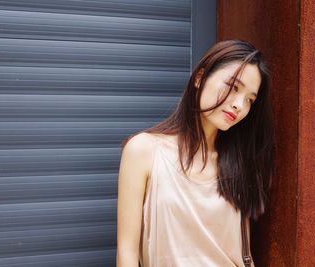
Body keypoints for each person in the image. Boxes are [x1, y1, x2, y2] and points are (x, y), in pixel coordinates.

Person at [116, 39, 274, 267]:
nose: (240, 104)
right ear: (200, 77)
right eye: (233, 87)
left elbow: (244, 253)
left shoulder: (237, 164)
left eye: (250, 99)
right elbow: (127, 253)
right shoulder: (144, 150)